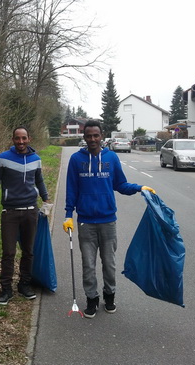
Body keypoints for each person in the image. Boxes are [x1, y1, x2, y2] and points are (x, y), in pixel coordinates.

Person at [63, 120, 155, 318]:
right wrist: (68, 215)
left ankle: (109, 296)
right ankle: (91, 299)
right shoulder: (76, 160)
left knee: (109, 263)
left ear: (101, 136)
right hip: (86, 222)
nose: (93, 139)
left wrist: (139, 188)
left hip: (108, 221)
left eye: (96, 135)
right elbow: (72, 189)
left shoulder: (111, 158)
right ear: (84, 137)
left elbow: (120, 184)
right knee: (88, 264)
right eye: (89, 136)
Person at [0, 126, 53, 305]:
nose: (21, 142)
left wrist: (46, 200)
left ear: (29, 139)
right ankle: (6, 289)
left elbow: (39, 180)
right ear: (13, 139)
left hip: (31, 211)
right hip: (10, 212)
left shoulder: (36, 159)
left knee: (28, 251)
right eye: (17, 138)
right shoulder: (2, 158)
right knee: (9, 252)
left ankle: (24, 285)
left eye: (24, 138)